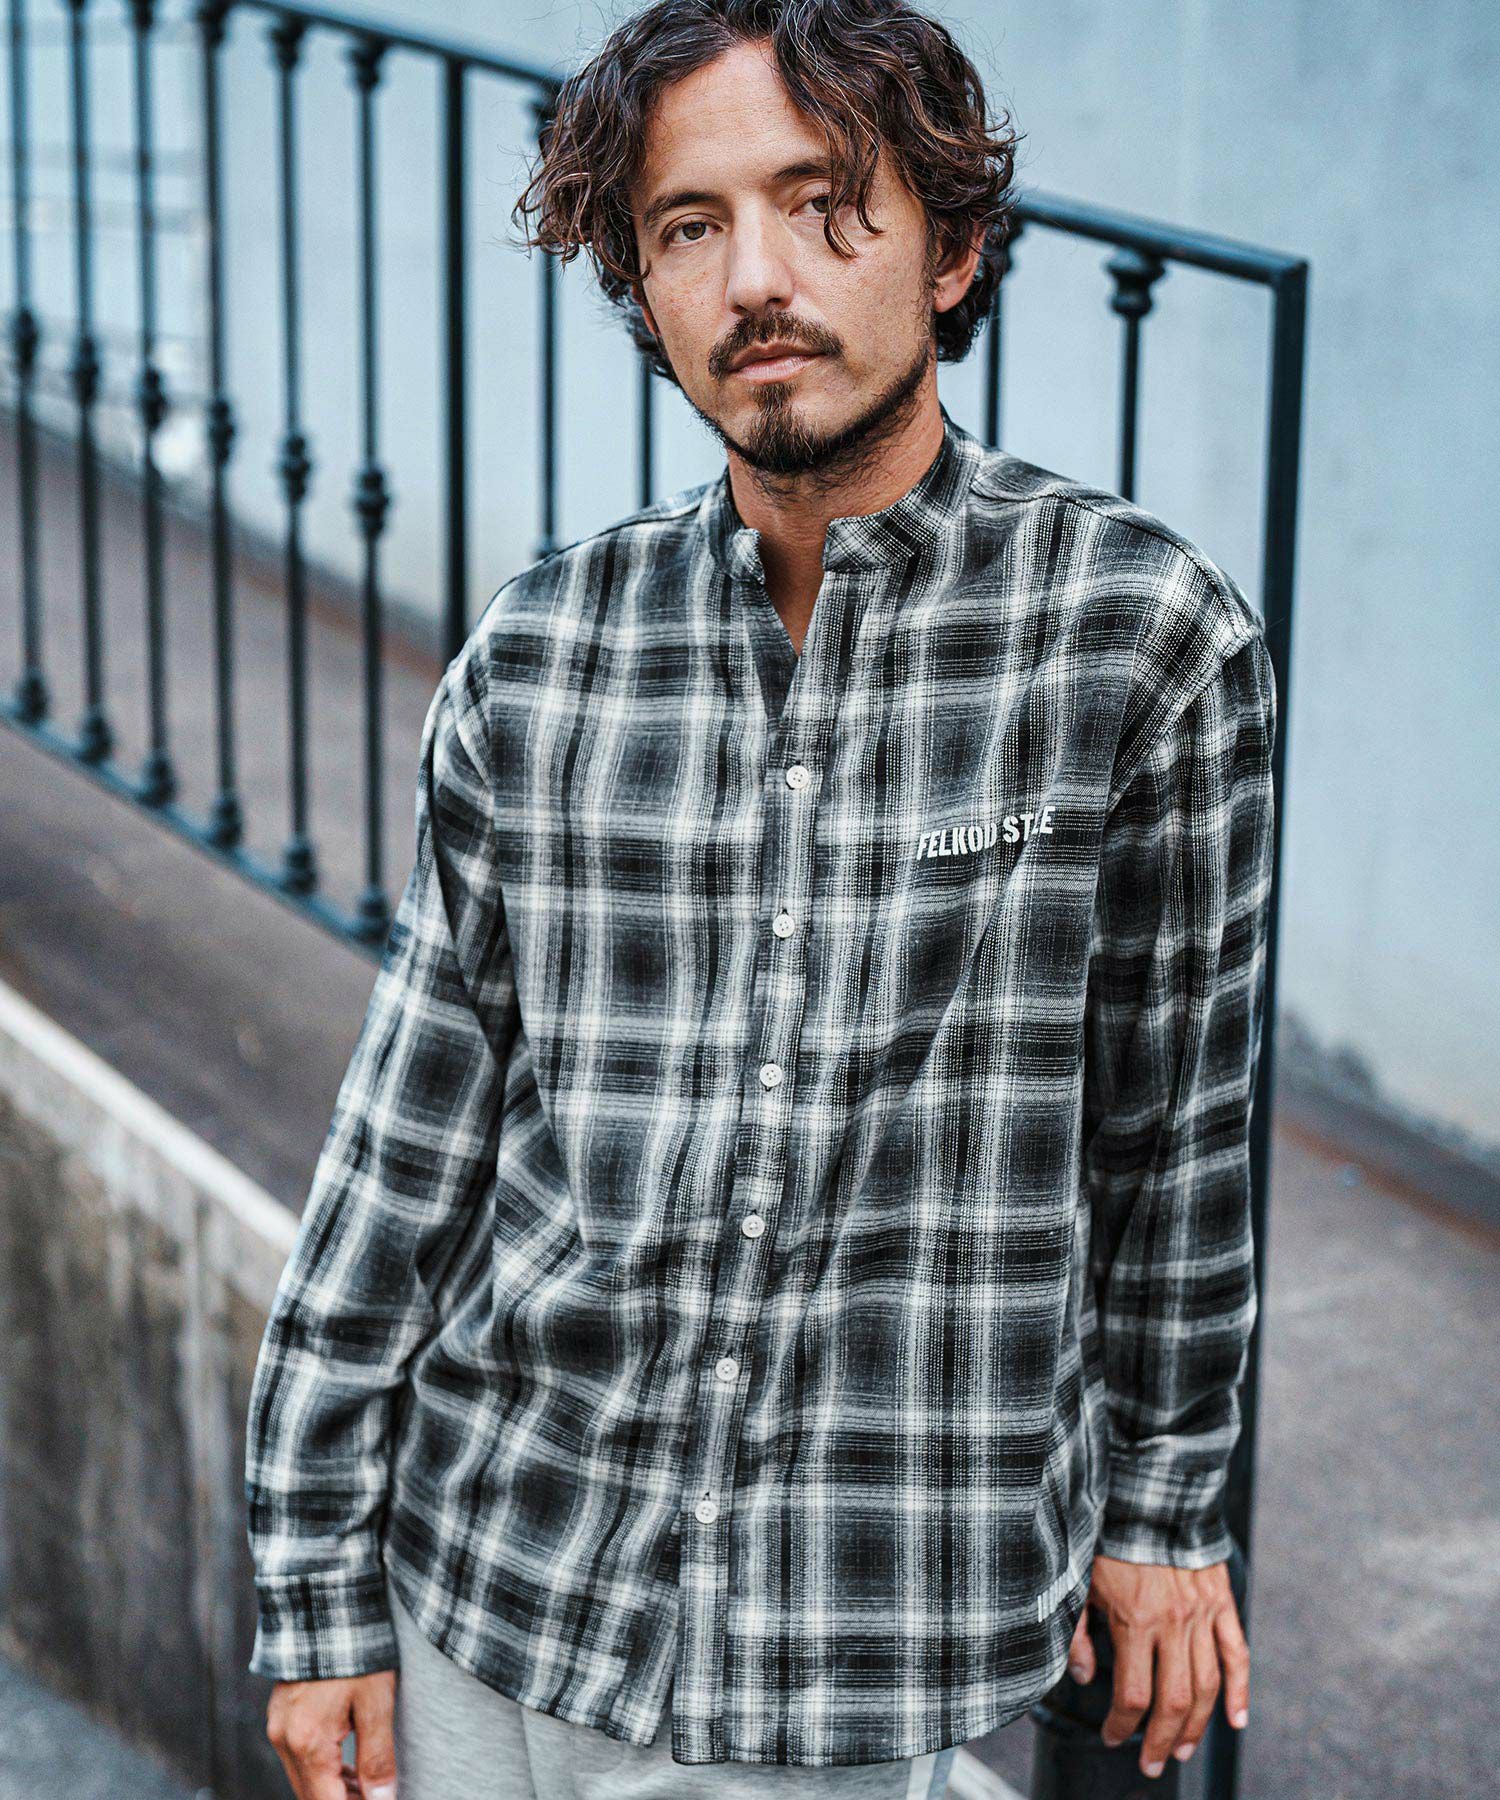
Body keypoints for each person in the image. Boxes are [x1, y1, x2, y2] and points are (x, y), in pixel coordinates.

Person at [243, 1, 1274, 1795]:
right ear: (641, 286)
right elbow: (406, 1147)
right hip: (489, 1588)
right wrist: (313, 1574)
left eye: (820, 201)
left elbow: (1172, 1139)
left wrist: (1168, 1506)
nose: (756, 280)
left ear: (953, 248)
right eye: (688, 225)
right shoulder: (544, 654)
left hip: (851, 1654)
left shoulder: (1135, 640)